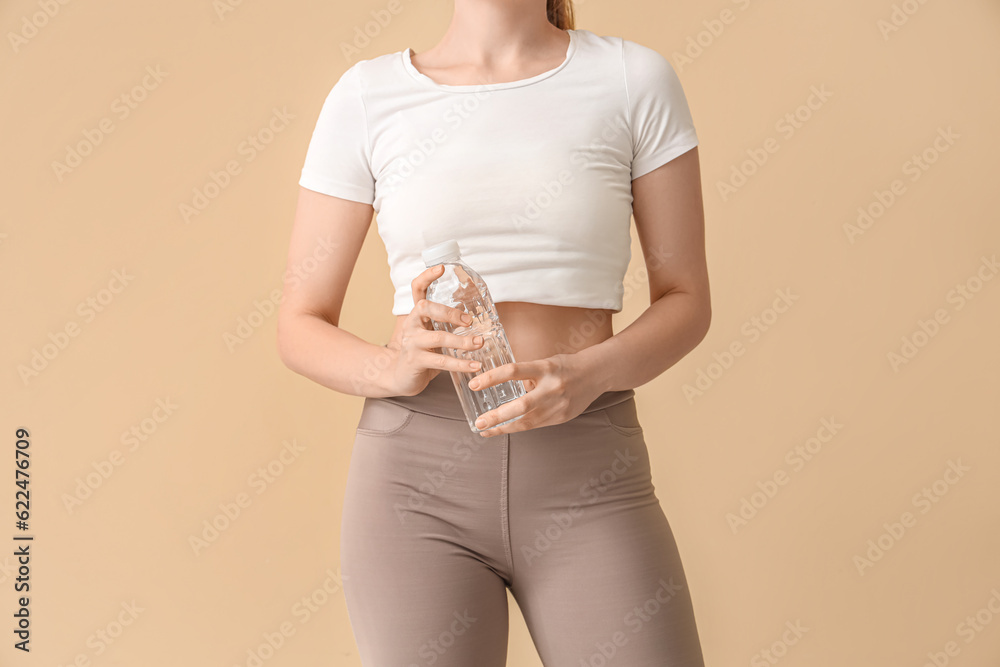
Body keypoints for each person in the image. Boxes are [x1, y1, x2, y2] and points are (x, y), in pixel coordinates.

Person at [277, 0, 711, 664]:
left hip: (588, 467)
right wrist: (389, 368)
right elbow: (299, 322)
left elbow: (686, 300)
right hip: (414, 482)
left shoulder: (632, 80)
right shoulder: (367, 96)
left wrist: (587, 373)